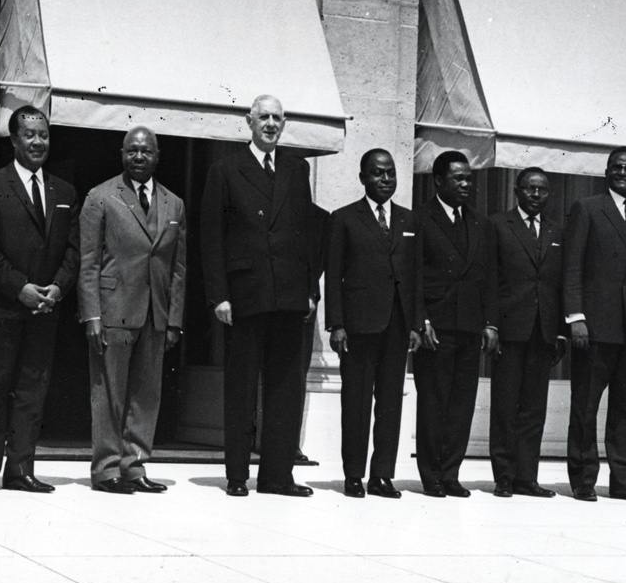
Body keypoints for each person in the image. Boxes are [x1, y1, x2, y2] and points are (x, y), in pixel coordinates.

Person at [200, 95, 318, 497]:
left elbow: (307, 232)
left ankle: (277, 476)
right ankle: (237, 475)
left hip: (288, 296)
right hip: (245, 295)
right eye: (263, 117)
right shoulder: (226, 169)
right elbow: (211, 236)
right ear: (248, 121)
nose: (270, 124)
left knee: (286, 387)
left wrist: (311, 291)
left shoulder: (296, 169)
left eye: (277, 118)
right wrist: (219, 295)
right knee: (242, 386)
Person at [0, 105, 79, 494]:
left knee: (33, 390)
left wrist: (57, 288)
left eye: (43, 135)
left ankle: (20, 469)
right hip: (3, 308)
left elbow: (73, 251)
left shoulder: (63, 191)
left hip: (46, 309)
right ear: (13, 140)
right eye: (29, 135)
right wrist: (21, 288)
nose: (38, 142)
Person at [78, 127, 186, 494]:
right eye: (132, 151)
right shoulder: (101, 196)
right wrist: (91, 314)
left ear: (157, 156)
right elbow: (88, 262)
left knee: (146, 392)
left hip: (156, 311)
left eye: (146, 152)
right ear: (122, 154)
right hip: (114, 309)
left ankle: (134, 464)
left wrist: (175, 318)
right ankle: (106, 468)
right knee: (109, 390)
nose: (139, 157)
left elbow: (179, 268)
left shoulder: (174, 204)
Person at [563, 146, 626, 502]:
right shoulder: (587, 209)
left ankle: (623, 481)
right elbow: (572, 266)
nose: (622, 172)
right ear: (607, 172)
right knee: (586, 405)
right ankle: (584, 479)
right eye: (616, 167)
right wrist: (576, 317)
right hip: (595, 328)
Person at [324, 149, 420, 499]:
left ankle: (382, 475)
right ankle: (353, 474)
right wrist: (336, 324)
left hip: (397, 325)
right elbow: (333, 275)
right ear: (363, 178)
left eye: (391, 173)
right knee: (357, 401)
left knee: (391, 402)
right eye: (378, 173)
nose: (386, 179)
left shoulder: (410, 221)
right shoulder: (345, 218)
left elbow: (416, 277)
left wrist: (416, 324)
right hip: (359, 325)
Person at [413, 150, 498, 498]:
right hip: (436, 327)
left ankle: (451, 472)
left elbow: (490, 278)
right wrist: (421, 320)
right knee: (433, 401)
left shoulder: (481, 223)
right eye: (458, 178)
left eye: (469, 179)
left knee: (462, 404)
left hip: (469, 327)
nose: (465, 184)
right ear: (438, 181)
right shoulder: (420, 220)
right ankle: (431, 474)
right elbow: (412, 275)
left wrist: (490, 323)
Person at [487, 167, 565, 498]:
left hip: (543, 330)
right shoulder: (498, 225)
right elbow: (490, 277)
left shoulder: (556, 230)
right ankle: (504, 476)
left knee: (534, 408)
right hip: (509, 328)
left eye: (542, 190)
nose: (536, 195)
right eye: (530, 189)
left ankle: (526, 477)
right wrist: (490, 324)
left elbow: (559, 284)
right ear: (517, 191)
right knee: (505, 406)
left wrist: (560, 330)